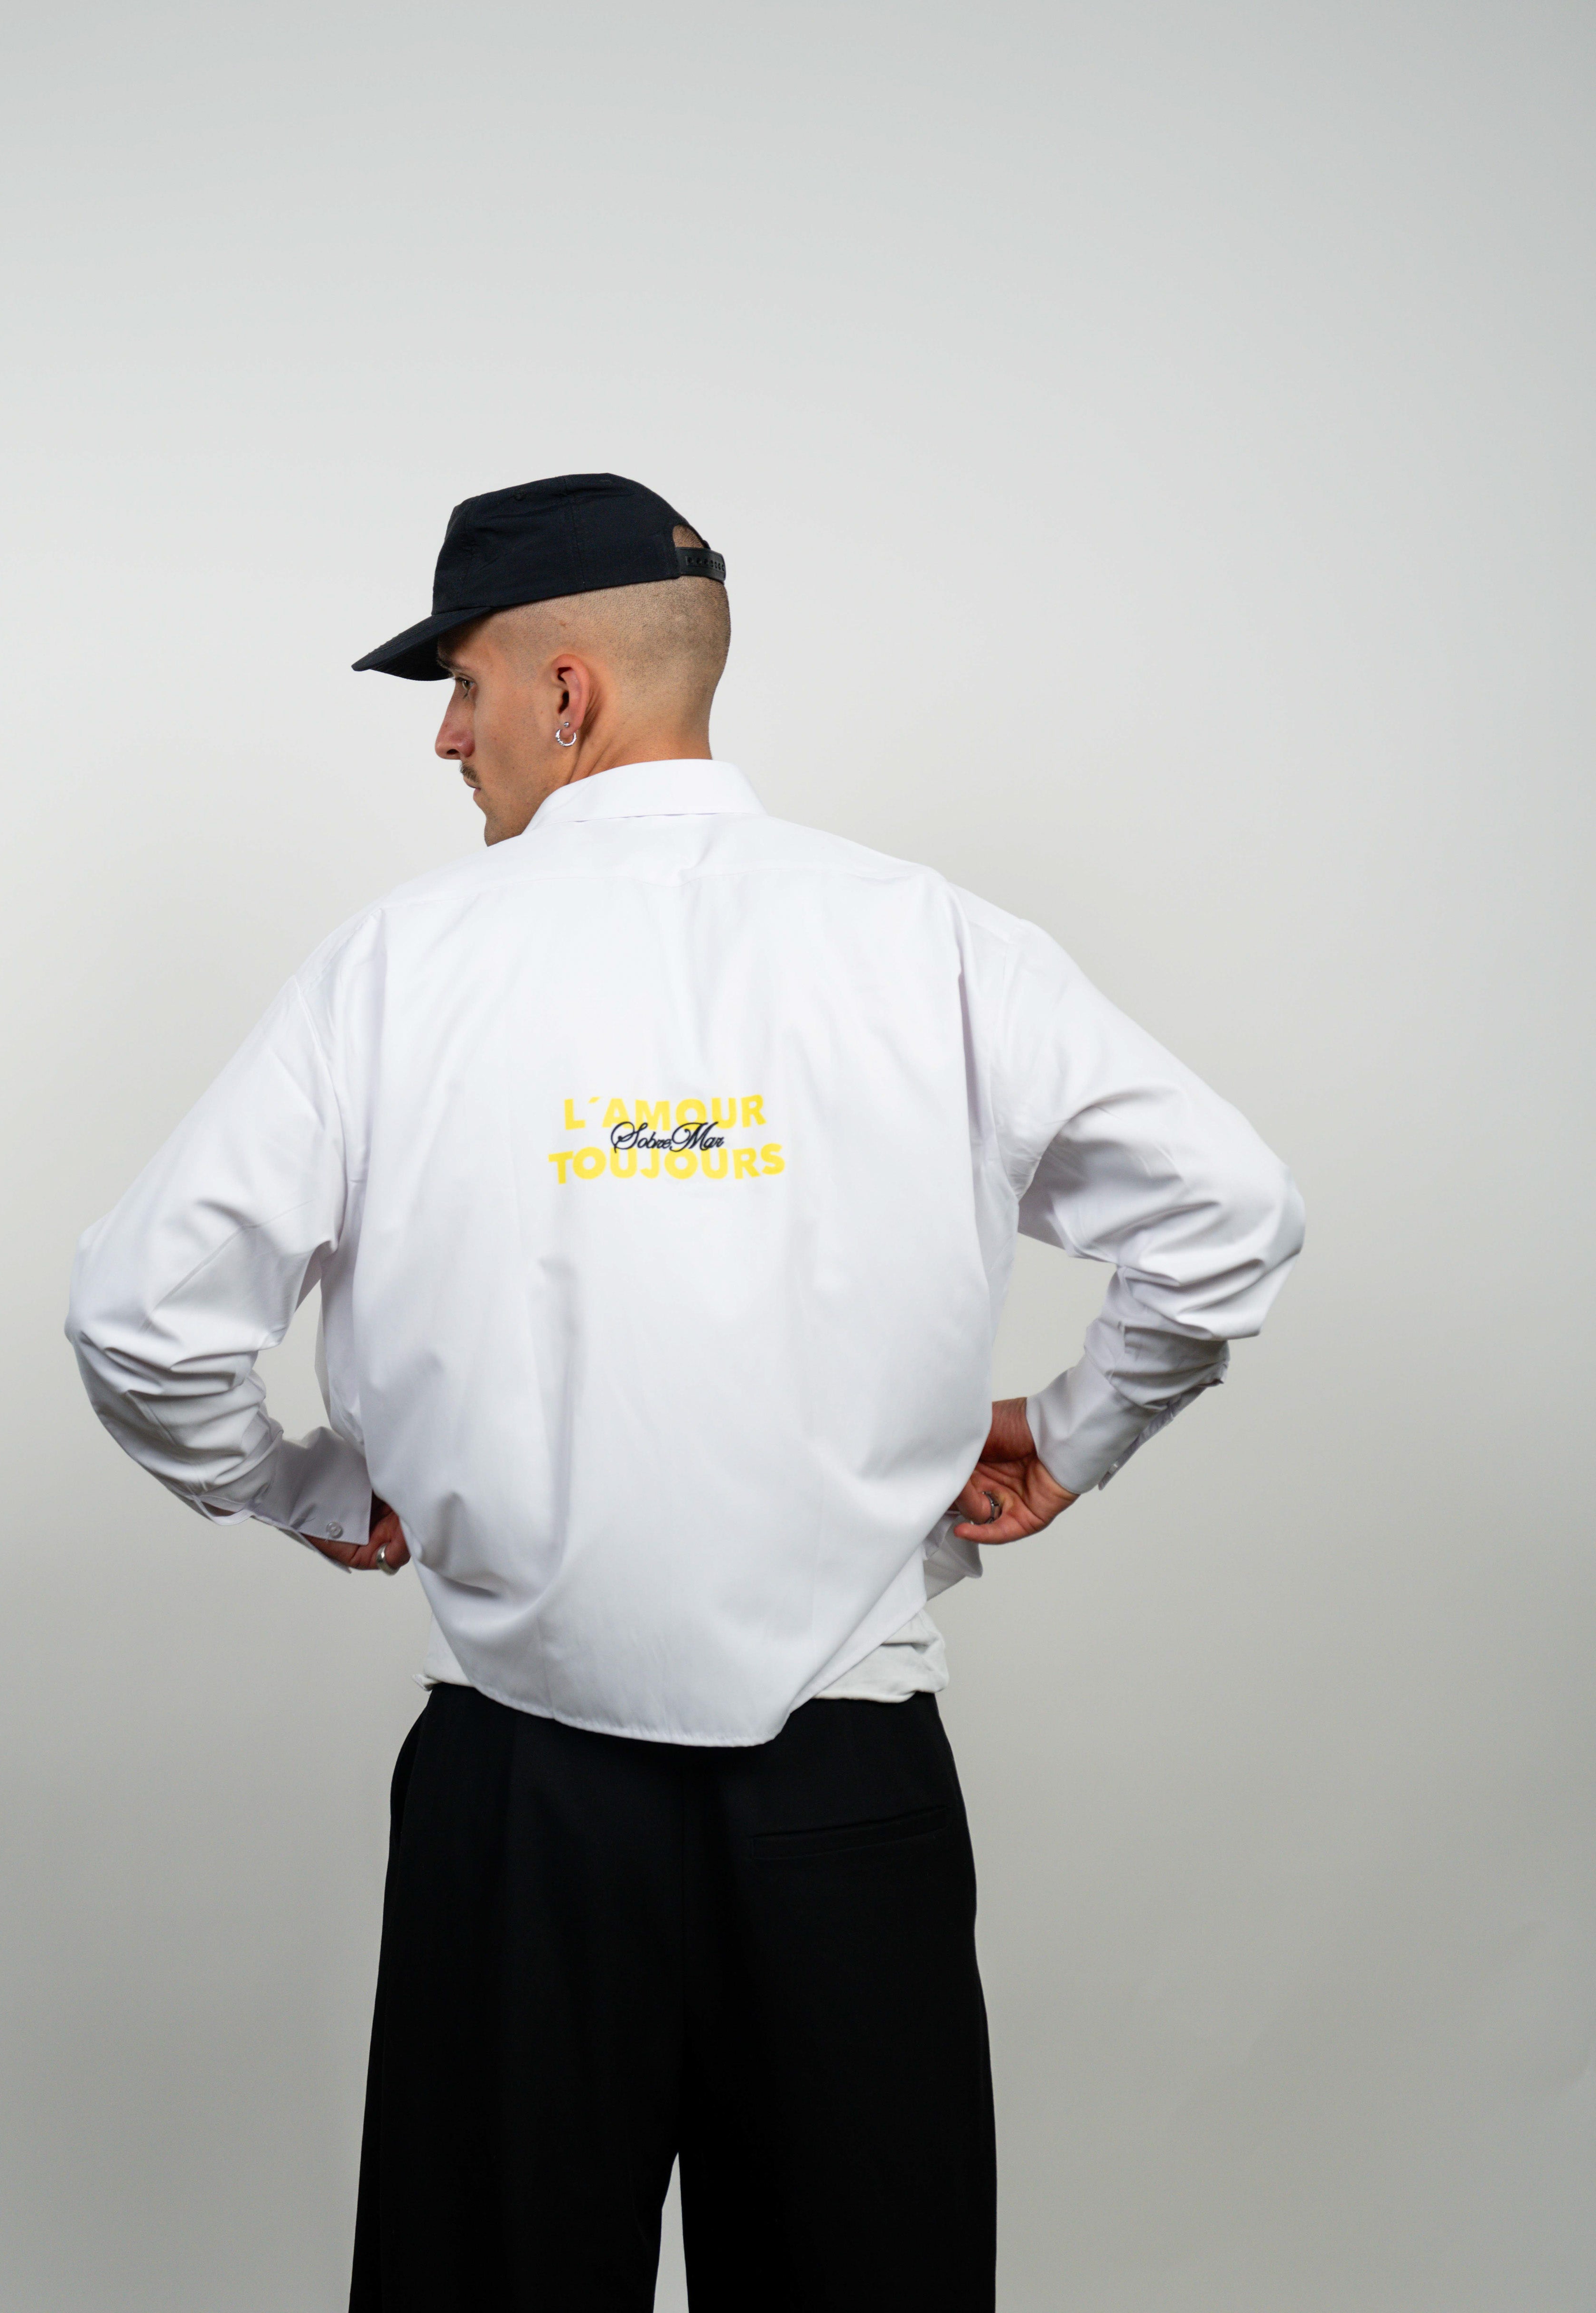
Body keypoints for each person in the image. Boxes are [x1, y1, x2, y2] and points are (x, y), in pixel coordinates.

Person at [65, 471, 1304, 2312]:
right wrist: (1070, 1436)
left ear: (566, 693)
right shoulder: (933, 944)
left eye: (464, 683)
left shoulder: (399, 970)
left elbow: (140, 1320)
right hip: (848, 1793)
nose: (448, 734)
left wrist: (312, 1487)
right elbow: (1231, 1216)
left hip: (519, 1806)